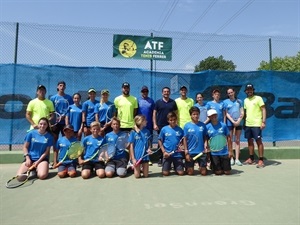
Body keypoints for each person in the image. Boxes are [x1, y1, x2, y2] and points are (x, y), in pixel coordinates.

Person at [153, 87, 177, 166]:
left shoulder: (173, 102)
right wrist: (155, 124)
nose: (166, 93)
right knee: (161, 142)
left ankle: (172, 158)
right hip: (160, 125)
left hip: (171, 125)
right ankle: (160, 158)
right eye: (164, 91)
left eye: (167, 91)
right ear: (162, 93)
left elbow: (175, 114)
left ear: (169, 93)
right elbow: (154, 114)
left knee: (171, 141)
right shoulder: (158, 102)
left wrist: (175, 123)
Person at [243, 84, 266, 168]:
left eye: (251, 89)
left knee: (258, 141)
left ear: (253, 90)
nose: (249, 91)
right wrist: (244, 123)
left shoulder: (258, 98)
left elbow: (263, 109)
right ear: (246, 91)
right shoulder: (245, 100)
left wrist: (263, 122)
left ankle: (261, 160)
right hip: (248, 124)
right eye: (248, 90)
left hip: (257, 124)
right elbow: (245, 112)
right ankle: (251, 158)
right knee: (249, 141)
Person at [206, 109, 232, 175]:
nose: (213, 116)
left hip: (224, 152)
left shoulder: (223, 125)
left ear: (217, 115)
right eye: (211, 115)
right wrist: (207, 148)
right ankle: (214, 166)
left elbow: (229, 138)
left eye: (214, 115)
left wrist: (230, 151)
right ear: (209, 117)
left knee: (227, 172)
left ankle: (221, 166)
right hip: (214, 153)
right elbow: (206, 139)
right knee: (218, 172)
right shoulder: (207, 127)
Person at [158, 112, 184, 176]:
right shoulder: (164, 129)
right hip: (167, 154)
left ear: (176, 119)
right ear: (168, 121)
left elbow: (183, 140)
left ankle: (177, 167)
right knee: (165, 173)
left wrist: (182, 146)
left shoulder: (180, 130)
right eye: (171, 120)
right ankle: (167, 166)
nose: (173, 121)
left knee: (181, 173)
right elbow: (160, 140)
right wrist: (164, 152)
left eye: (174, 119)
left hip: (178, 155)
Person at [183, 107, 208, 176]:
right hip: (191, 152)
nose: (196, 116)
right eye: (194, 114)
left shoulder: (203, 125)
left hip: (201, 152)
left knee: (203, 173)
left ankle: (202, 167)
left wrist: (205, 146)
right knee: (190, 173)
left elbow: (205, 137)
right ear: (190, 115)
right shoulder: (187, 126)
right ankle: (187, 167)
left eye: (197, 114)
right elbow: (184, 139)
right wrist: (186, 151)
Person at [223, 88, 244, 166]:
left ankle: (237, 159)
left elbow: (242, 112)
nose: (230, 94)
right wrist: (232, 121)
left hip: (238, 123)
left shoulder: (239, 101)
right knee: (230, 140)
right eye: (229, 93)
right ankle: (231, 158)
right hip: (229, 123)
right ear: (227, 94)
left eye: (231, 92)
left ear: (234, 92)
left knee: (237, 140)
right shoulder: (225, 102)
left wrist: (238, 121)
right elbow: (226, 113)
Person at [137, 85, 155, 165]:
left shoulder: (151, 101)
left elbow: (154, 113)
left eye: (146, 91)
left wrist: (154, 123)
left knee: (148, 141)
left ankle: (148, 158)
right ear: (141, 92)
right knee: (140, 141)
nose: (145, 93)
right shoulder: (138, 101)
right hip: (140, 125)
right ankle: (139, 157)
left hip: (149, 124)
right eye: (143, 91)